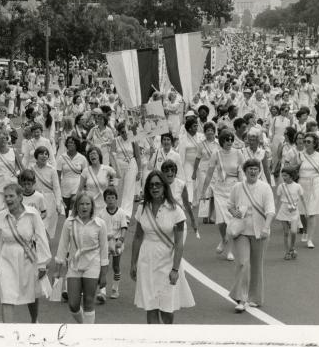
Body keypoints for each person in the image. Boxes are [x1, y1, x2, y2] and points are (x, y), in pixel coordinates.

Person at [130, 170, 195, 324]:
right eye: (151, 185)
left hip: (168, 261)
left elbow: (179, 242)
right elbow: (138, 236)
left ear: (164, 186)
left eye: (158, 184)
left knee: (167, 308)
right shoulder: (142, 208)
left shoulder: (176, 210)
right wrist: (133, 263)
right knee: (150, 306)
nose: (154, 188)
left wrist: (175, 269)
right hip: (147, 261)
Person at [0, 183, 51, 323]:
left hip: (28, 258)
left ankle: (34, 321)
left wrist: (42, 264)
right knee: (6, 295)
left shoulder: (32, 214)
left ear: (20, 197)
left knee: (32, 294)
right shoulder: (0, 216)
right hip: (7, 259)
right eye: (6, 197)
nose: (8, 199)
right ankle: (8, 332)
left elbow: (41, 238)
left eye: (11, 196)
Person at [226, 159, 275, 312]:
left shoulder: (265, 188)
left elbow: (270, 210)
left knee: (256, 265)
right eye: (250, 169)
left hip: (260, 231)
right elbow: (230, 205)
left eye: (255, 169)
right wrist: (235, 213)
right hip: (241, 231)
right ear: (245, 171)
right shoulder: (237, 187)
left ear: (259, 171)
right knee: (242, 263)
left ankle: (255, 298)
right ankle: (241, 298)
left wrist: (266, 227)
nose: (253, 172)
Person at [54, 193, 109, 324]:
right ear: (76, 206)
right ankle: (84, 325)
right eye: (81, 204)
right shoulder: (69, 222)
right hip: (74, 266)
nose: (84, 207)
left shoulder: (100, 224)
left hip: (93, 266)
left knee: (89, 302)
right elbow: (62, 247)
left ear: (92, 206)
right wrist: (57, 270)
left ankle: (87, 334)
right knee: (73, 304)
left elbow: (104, 250)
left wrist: (104, 274)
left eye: (87, 204)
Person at [200, 130, 246, 262]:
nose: (230, 142)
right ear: (221, 141)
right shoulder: (216, 154)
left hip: (234, 189)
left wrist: (244, 188)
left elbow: (244, 170)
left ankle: (230, 250)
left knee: (231, 221)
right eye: (227, 140)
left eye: (231, 140)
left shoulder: (238, 153)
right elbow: (209, 174)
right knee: (220, 221)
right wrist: (204, 192)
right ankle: (224, 239)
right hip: (219, 189)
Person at [298, 132, 319, 249]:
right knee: (302, 212)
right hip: (302, 184)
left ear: (314, 143)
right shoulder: (299, 155)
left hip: (315, 184)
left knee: (312, 213)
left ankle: (310, 239)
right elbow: (294, 170)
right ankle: (305, 231)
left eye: (308, 142)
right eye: (304, 141)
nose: (305, 143)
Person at [95, 188, 128, 302]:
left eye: (112, 198)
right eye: (108, 198)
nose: (110, 200)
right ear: (104, 200)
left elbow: (124, 228)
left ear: (116, 199)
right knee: (103, 266)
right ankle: (102, 291)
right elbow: (97, 228)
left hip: (117, 242)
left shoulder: (121, 213)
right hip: (105, 243)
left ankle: (115, 289)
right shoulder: (101, 213)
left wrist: (121, 240)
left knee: (116, 266)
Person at [30, 146, 64, 239]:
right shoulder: (31, 169)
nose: (44, 156)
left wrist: (58, 203)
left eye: (46, 154)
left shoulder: (52, 169)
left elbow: (57, 187)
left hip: (49, 201)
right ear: (36, 156)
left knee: (46, 228)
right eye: (41, 154)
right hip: (35, 200)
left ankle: (45, 250)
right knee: (35, 227)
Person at [0, 131, 23, 214]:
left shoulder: (14, 151)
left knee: (12, 211)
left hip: (12, 186)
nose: (3, 140)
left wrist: (23, 183)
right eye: (0, 139)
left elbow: (21, 167)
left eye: (5, 138)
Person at [111, 122, 142, 219]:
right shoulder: (115, 141)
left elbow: (137, 157)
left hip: (131, 165)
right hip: (118, 166)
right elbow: (112, 156)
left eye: (126, 132)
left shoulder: (133, 141)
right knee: (118, 188)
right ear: (119, 132)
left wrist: (139, 171)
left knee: (129, 188)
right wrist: (113, 169)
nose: (125, 134)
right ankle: (117, 209)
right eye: (122, 132)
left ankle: (127, 213)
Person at [192, 122, 220, 224]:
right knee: (205, 192)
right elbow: (197, 158)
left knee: (213, 194)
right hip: (203, 171)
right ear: (205, 132)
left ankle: (212, 215)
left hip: (215, 172)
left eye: (211, 130)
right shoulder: (201, 144)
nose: (209, 132)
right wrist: (194, 172)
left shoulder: (218, 143)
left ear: (214, 132)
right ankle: (204, 214)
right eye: (207, 130)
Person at [76, 146, 117, 216]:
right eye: (90, 154)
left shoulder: (106, 169)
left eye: (94, 154)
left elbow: (118, 175)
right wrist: (77, 205)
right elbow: (80, 189)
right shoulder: (86, 171)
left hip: (104, 204)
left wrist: (115, 159)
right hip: (90, 204)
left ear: (99, 155)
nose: (92, 156)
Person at [275, 167, 305, 260]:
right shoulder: (281, 186)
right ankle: (287, 252)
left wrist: (306, 211)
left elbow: (302, 199)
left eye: (285, 175)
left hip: (294, 210)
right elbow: (277, 199)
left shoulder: (298, 186)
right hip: (284, 210)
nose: (283, 177)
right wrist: (274, 210)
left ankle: (292, 248)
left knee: (293, 232)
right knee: (286, 233)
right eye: (282, 175)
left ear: (291, 176)